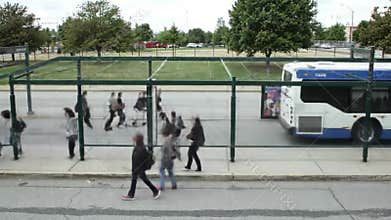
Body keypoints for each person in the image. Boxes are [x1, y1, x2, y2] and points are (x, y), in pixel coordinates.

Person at [122, 133, 160, 201]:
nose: (133, 138)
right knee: (138, 180)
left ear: (137, 140)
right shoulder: (138, 147)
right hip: (137, 168)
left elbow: (141, 160)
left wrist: (136, 169)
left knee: (143, 180)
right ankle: (131, 194)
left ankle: (155, 191)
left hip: (138, 168)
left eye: (134, 138)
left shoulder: (140, 149)